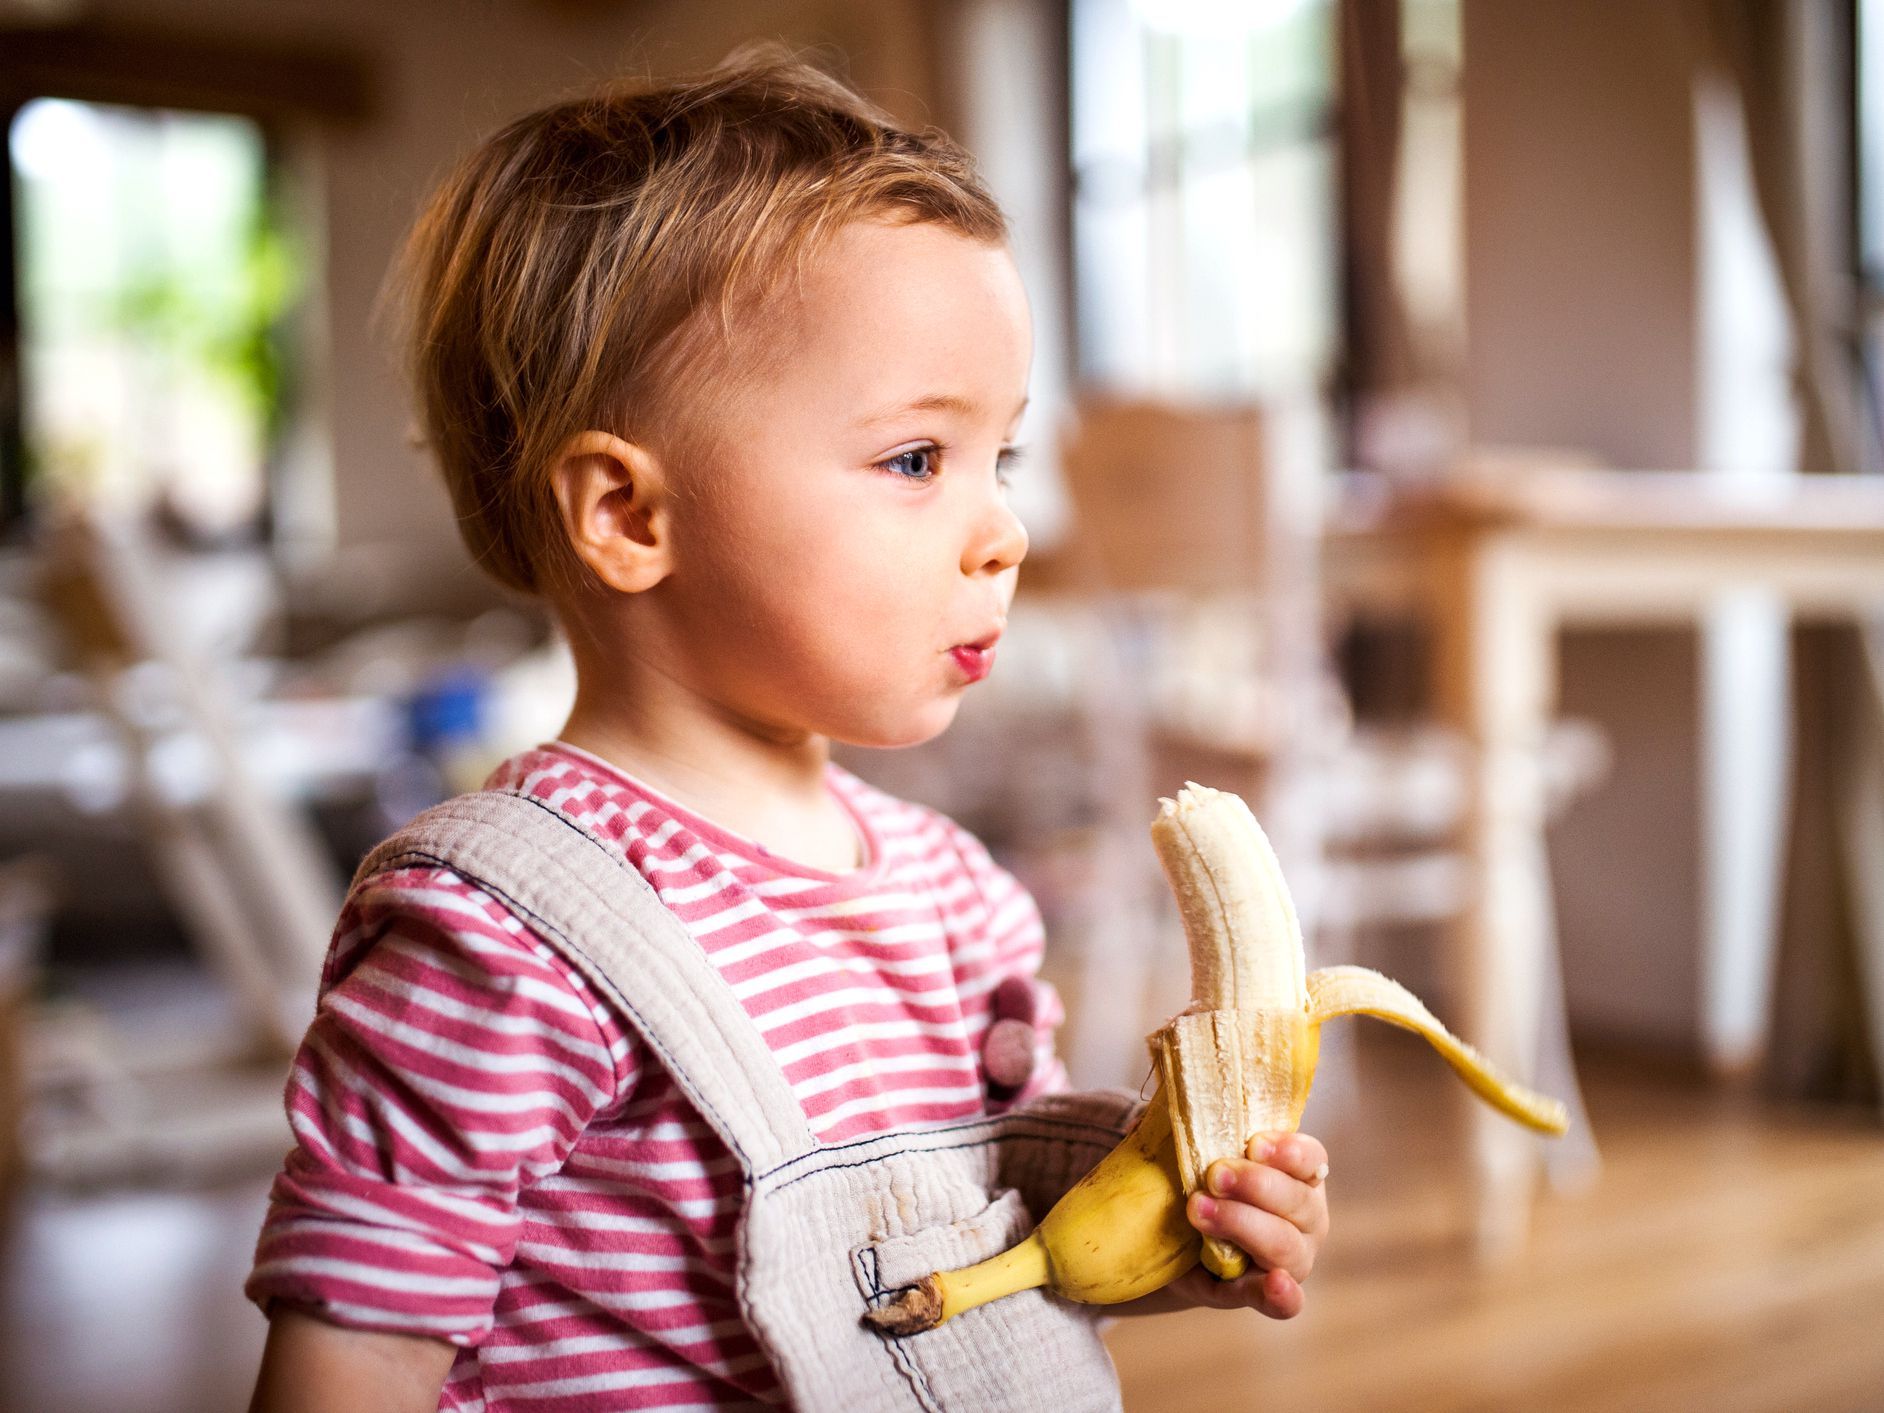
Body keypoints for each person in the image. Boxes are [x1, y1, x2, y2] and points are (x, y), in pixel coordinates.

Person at [244, 49, 1331, 1413]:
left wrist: (1192, 1232)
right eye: (915, 460)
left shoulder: (960, 903)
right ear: (631, 517)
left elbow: (1013, 1265)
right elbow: (360, 1349)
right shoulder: (498, 937)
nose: (1005, 529)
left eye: (1001, 456)